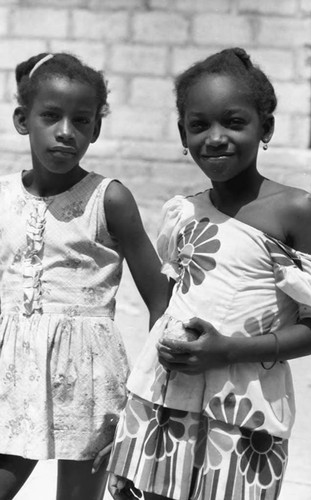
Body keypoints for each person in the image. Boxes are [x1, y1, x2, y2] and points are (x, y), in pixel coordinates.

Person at [107, 47, 311, 500]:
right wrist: (133, 408)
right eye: (199, 125)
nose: (215, 138)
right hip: (163, 401)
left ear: (265, 127)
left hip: (245, 410)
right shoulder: (182, 212)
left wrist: (229, 350)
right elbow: (167, 311)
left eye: (233, 123)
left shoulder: (295, 211)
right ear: (182, 134)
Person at [0, 52, 168, 500]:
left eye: (81, 120)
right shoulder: (2, 196)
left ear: (95, 129)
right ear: (22, 119)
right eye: (51, 117)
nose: (65, 132)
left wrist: (147, 396)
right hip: (12, 375)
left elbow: (160, 301)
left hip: (89, 380)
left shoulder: (108, 199)